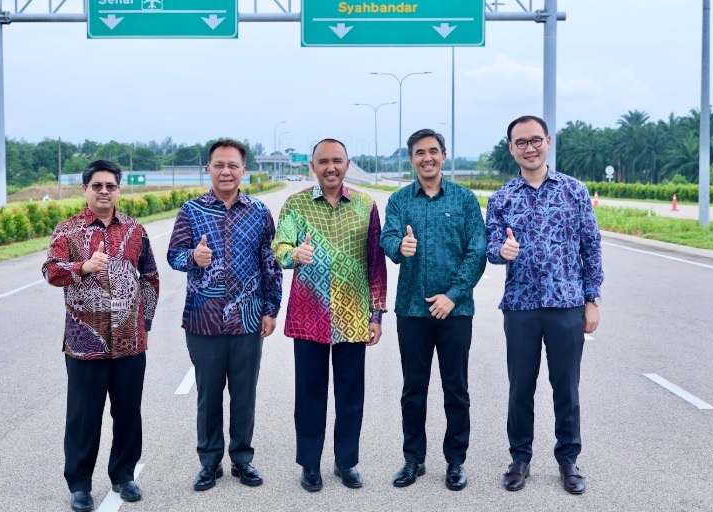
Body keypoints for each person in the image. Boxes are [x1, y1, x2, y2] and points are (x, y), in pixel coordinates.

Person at [485, 116, 603, 495]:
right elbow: (490, 249)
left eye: (535, 140)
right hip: (521, 306)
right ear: (511, 149)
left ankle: (568, 461)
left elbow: (591, 246)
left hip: (567, 303)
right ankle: (520, 458)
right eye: (521, 142)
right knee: (521, 386)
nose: (529, 148)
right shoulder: (502, 198)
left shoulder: (574, 191)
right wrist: (501, 252)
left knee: (566, 386)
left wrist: (592, 299)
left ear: (548, 141)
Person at [43, 159, 160, 512]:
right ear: (85, 190)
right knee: (83, 416)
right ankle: (79, 485)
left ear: (119, 190)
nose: (104, 191)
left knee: (128, 412)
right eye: (97, 186)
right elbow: (50, 271)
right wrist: (83, 267)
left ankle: (124, 475)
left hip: (130, 342)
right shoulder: (68, 231)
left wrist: (147, 325)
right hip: (85, 345)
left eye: (110, 186)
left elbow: (150, 278)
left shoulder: (136, 230)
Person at [271, 138, 387, 492]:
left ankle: (346, 461)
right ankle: (310, 464)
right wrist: (294, 256)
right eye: (323, 161)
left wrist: (377, 314)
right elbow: (279, 248)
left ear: (347, 164)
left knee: (351, 395)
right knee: (309, 396)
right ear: (313, 166)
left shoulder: (366, 205)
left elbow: (375, 263)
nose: (330, 167)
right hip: (310, 317)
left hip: (354, 316)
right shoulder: (296, 204)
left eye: (337, 160)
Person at [167, 139, 283, 492]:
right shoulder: (191, 211)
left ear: (243, 169)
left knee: (244, 393)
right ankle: (209, 462)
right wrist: (193, 259)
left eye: (233, 165)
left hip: (248, 320)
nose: (226, 171)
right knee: (209, 394)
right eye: (219, 165)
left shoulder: (260, 212)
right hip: (203, 321)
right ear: (209, 168)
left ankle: (242, 459)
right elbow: (174, 255)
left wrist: (270, 309)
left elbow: (271, 265)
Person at [380, 129, 487, 491]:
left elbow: (477, 251)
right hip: (412, 311)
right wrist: (400, 247)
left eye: (433, 151)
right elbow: (388, 238)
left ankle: (455, 461)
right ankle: (414, 459)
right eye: (420, 153)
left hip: (455, 312)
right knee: (414, 389)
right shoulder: (399, 201)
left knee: (455, 389)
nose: (427, 158)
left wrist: (452, 295)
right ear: (411, 159)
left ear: (443, 156)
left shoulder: (464, 200)